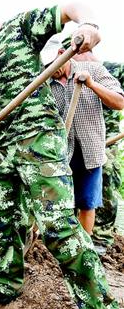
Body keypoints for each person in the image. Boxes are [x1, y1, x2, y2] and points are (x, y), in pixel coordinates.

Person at [0, 0, 118, 309]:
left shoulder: (18, 29)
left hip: (39, 140)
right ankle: (4, 283)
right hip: (5, 147)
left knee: (57, 226)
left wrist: (88, 26)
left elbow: (72, 6)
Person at [42, 37, 124, 236]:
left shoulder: (94, 70)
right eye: (45, 66)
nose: (50, 70)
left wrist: (91, 84)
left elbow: (119, 102)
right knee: (60, 204)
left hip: (90, 152)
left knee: (87, 203)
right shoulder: (44, 83)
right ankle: (64, 248)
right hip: (60, 153)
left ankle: (85, 247)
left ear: (62, 54)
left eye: (52, 64)